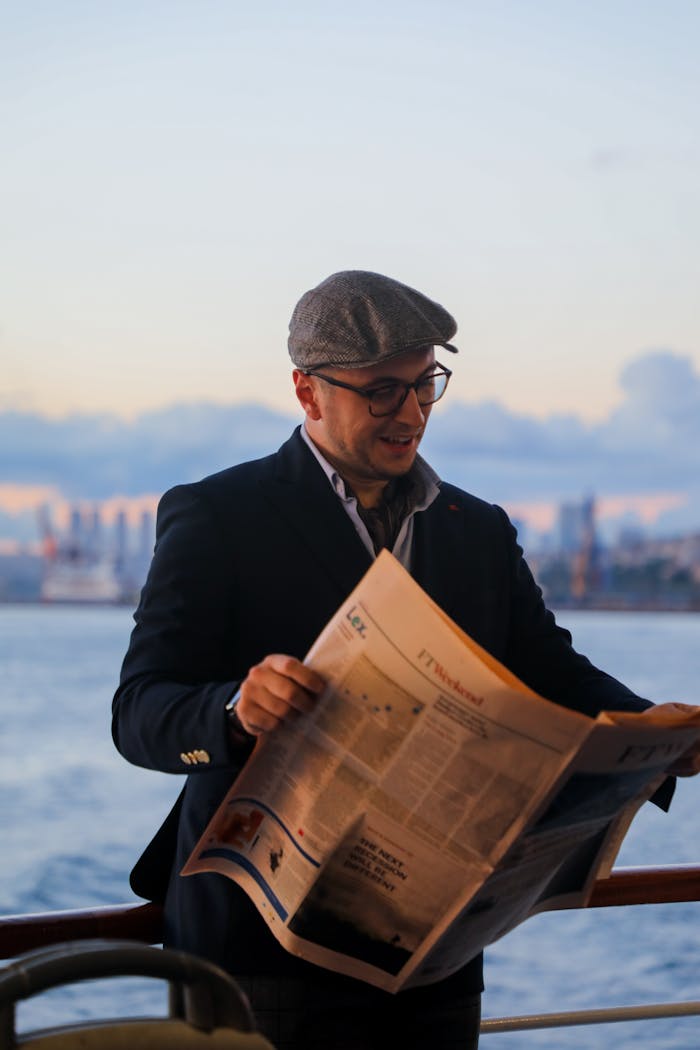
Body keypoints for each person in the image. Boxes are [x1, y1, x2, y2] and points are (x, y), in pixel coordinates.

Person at [113, 270, 699, 1050]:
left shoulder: (477, 530)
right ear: (307, 391)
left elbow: (555, 672)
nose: (413, 413)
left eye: (426, 385)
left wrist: (660, 732)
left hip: (434, 951)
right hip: (259, 951)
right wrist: (235, 707)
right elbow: (139, 711)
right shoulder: (218, 514)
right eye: (383, 391)